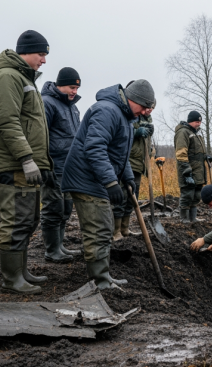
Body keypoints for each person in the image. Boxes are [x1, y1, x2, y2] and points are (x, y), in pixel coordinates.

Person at [62, 80, 154, 289]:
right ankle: (100, 281)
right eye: (145, 106)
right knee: (100, 230)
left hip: (96, 179)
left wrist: (127, 176)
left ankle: (103, 277)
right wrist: (111, 182)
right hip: (86, 179)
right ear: (134, 100)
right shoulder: (107, 111)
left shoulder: (126, 118)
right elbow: (95, 148)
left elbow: (120, 155)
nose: (146, 112)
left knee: (103, 229)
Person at [0, 30, 55, 295]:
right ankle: (11, 278)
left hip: (26, 164)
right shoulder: (7, 77)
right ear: (26, 51)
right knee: (16, 220)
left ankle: (21, 271)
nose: (44, 60)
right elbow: (8, 121)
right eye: (41, 54)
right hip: (15, 164)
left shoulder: (22, 77)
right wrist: (26, 158)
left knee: (28, 218)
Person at [40, 67, 82, 263]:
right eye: (71, 87)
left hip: (69, 167)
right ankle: (51, 250)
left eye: (76, 88)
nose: (74, 91)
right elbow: (40, 136)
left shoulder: (73, 108)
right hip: (53, 165)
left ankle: (60, 246)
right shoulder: (47, 103)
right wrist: (44, 164)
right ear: (59, 85)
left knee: (66, 207)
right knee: (53, 207)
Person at [114, 81, 155, 239]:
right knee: (123, 196)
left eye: (151, 108)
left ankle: (125, 228)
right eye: (147, 106)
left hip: (139, 165)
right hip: (127, 162)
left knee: (133, 198)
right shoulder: (130, 115)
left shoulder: (147, 118)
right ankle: (115, 231)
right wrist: (137, 132)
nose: (149, 110)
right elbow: (123, 135)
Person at [174, 111, 211, 223]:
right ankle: (184, 219)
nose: (199, 124)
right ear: (190, 121)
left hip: (199, 170)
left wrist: (206, 156)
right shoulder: (183, 133)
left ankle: (193, 218)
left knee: (196, 195)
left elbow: (199, 151)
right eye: (196, 121)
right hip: (188, 169)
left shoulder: (198, 134)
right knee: (187, 194)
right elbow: (181, 154)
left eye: (200, 121)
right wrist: (187, 172)